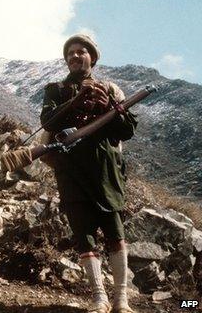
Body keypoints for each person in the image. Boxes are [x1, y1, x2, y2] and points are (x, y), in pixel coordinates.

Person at [40, 34, 137, 313]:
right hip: (69, 170)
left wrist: (107, 105)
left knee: (115, 234)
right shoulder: (55, 90)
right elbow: (47, 120)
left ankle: (121, 299)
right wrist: (76, 100)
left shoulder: (110, 89)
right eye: (70, 52)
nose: (75, 56)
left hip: (106, 170)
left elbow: (127, 130)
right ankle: (98, 298)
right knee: (84, 236)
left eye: (81, 51)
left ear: (92, 58)